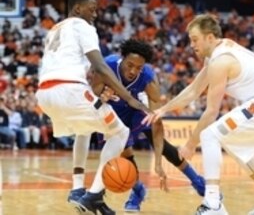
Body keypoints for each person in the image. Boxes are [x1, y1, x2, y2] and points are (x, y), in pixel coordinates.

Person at [143, 14, 254, 215]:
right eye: (190, 39)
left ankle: (213, 203)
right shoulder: (218, 52)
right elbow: (193, 91)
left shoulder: (221, 61)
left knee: (209, 135)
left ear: (210, 37)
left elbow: (211, 111)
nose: (191, 44)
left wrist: (190, 144)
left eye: (195, 39)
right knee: (232, 143)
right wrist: (163, 109)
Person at [35, 0, 163, 215]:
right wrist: (129, 98)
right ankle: (93, 195)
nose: (94, 14)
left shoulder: (55, 29)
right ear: (77, 9)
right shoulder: (84, 27)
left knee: (85, 129)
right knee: (120, 133)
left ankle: (77, 189)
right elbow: (100, 67)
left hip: (45, 94)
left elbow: (84, 70)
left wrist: (99, 94)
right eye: (91, 9)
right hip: (69, 89)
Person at [68, 39, 205, 213]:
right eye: (130, 65)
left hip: (136, 109)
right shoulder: (107, 65)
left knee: (166, 148)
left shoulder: (147, 79)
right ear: (122, 58)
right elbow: (94, 91)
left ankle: (199, 183)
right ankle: (138, 191)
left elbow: (157, 122)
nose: (133, 71)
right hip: (115, 113)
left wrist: (157, 165)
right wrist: (102, 94)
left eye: (138, 67)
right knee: (125, 156)